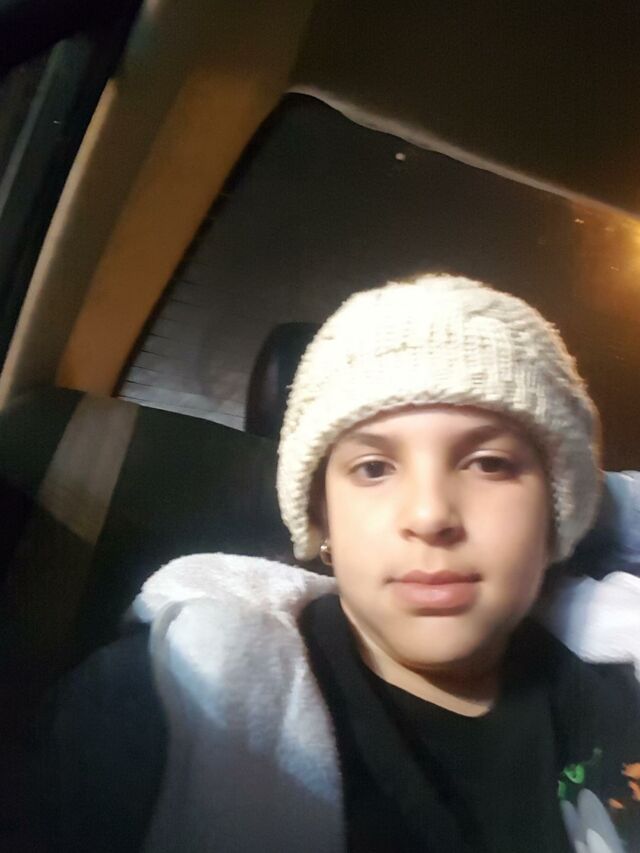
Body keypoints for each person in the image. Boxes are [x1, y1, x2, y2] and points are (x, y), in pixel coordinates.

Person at [32, 274, 640, 852]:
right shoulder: (172, 697)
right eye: (373, 468)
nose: (429, 515)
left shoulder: (621, 682)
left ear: (556, 515)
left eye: (489, 464)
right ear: (322, 520)